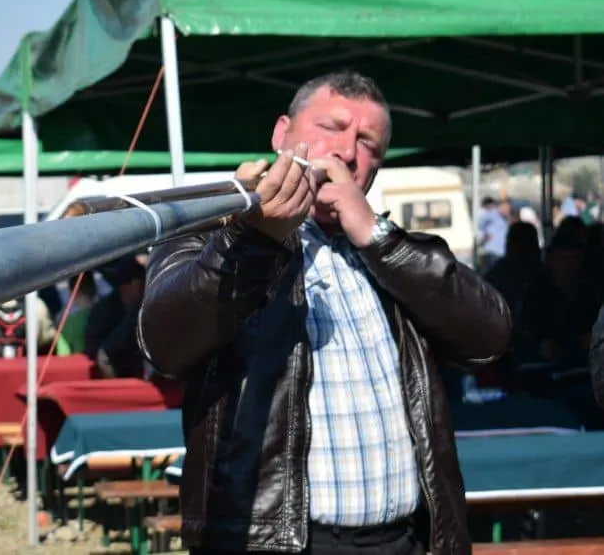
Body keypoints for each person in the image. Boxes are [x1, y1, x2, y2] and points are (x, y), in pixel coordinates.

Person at [137, 70, 511, 555]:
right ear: (281, 134)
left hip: (406, 540)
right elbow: (164, 343)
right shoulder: (213, 234)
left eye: (368, 143)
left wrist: (376, 236)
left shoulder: (395, 252)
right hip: (277, 541)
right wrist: (256, 240)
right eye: (330, 128)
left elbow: (491, 335)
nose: (347, 151)